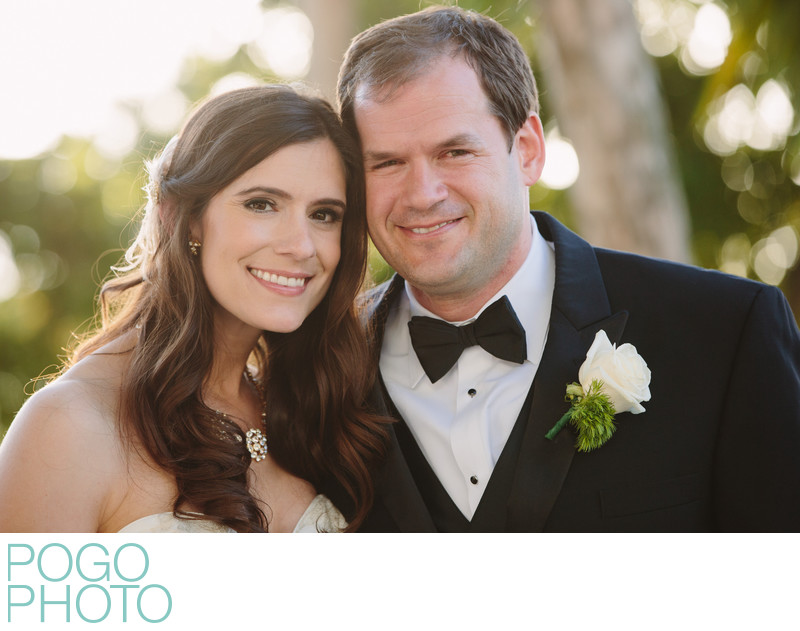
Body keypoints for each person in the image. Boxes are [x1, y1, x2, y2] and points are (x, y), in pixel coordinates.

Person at [336, 6, 800, 531]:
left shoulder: (726, 333)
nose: (422, 194)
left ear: (529, 150)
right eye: (387, 163)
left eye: (455, 152)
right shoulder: (319, 364)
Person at [0, 85, 386, 533]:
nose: (301, 246)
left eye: (323, 214)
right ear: (179, 215)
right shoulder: (67, 426)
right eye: (262, 204)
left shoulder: (312, 408)